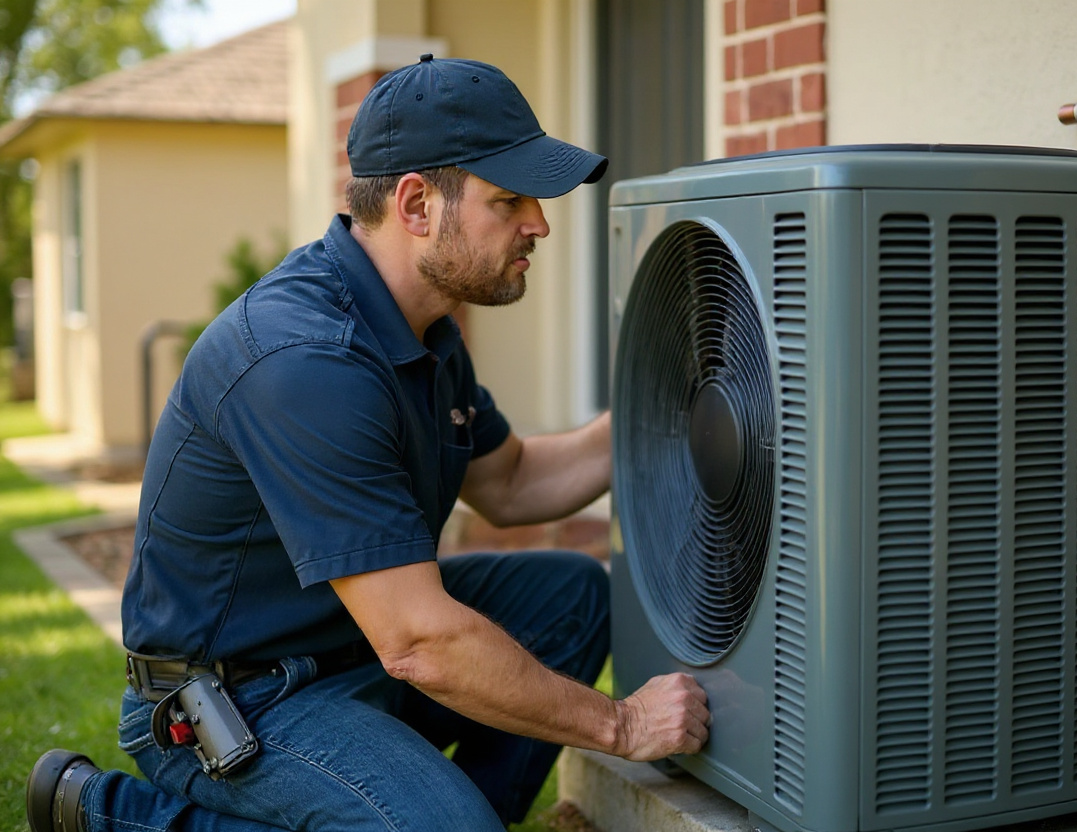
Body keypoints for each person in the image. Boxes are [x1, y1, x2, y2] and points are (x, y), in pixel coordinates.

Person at [26, 55, 710, 832]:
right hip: (239, 697)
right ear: (418, 204)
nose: (539, 225)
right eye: (510, 200)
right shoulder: (304, 361)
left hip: (350, 650)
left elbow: (513, 484)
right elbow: (421, 642)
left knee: (570, 599)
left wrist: (671, 410)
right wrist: (623, 726)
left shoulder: (424, 331)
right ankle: (109, 813)